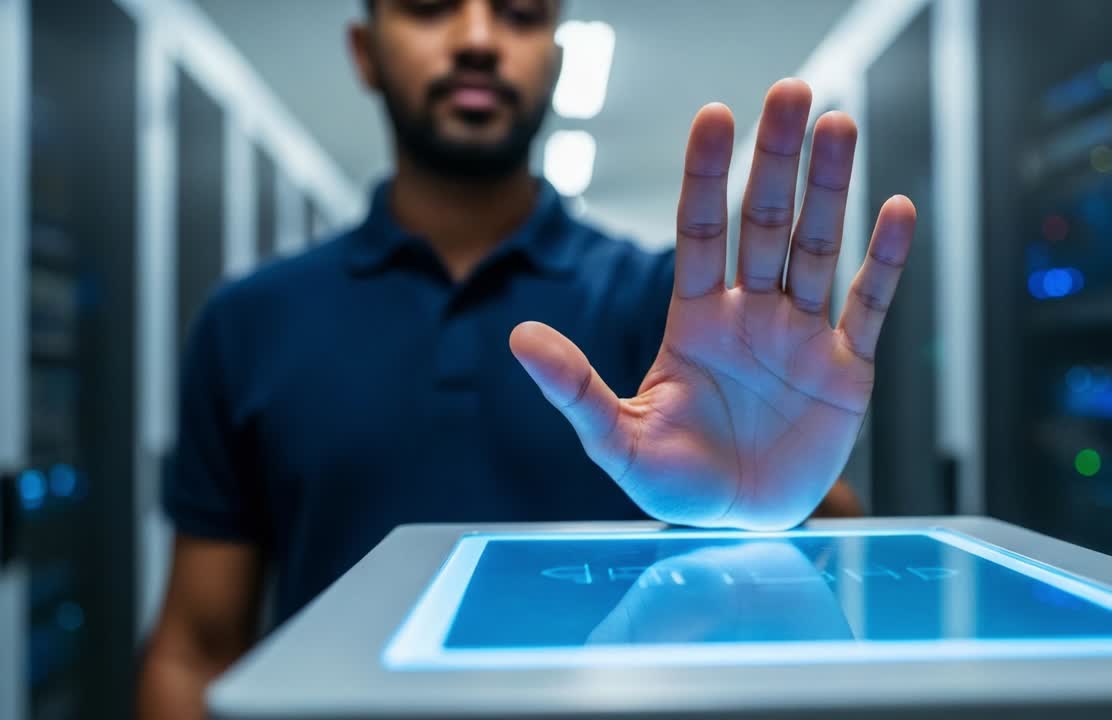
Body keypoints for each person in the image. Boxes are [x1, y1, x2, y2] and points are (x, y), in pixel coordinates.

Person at [137, 0, 915, 717]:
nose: (478, 40)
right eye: (429, 5)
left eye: (519, 13)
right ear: (364, 49)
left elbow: (834, 593)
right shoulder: (249, 323)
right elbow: (196, 648)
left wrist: (771, 522)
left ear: (556, 56)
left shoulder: (677, 315)